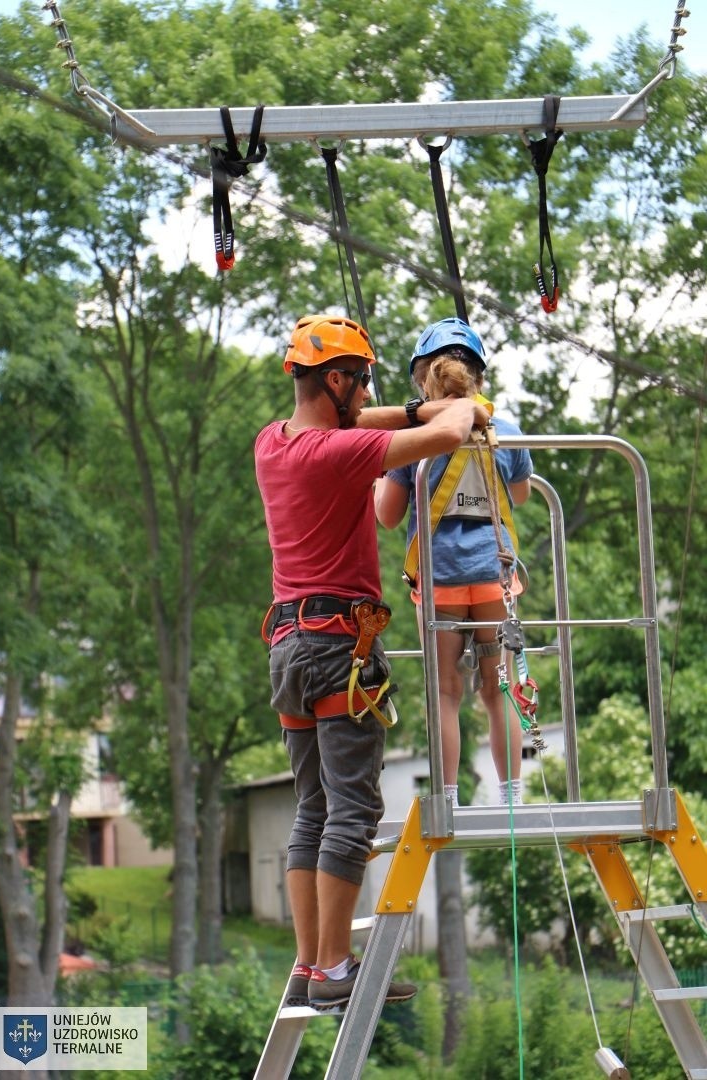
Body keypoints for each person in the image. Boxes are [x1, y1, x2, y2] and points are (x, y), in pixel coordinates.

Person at [254, 314, 490, 1010]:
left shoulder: (274, 443)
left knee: (313, 808)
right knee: (353, 810)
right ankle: (333, 969)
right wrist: (467, 406)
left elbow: (385, 418)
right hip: (338, 648)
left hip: (289, 648)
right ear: (335, 379)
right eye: (360, 380)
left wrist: (420, 403)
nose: (367, 393)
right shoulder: (340, 455)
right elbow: (445, 439)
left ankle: (310, 963)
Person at [374, 317, 533, 809]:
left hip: (441, 582)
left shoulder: (411, 435)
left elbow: (388, 515)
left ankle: (446, 796)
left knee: (445, 690)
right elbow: (522, 496)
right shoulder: (503, 430)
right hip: (493, 580)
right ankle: (511, 796)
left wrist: (379, 474)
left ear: (423, 380)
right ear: (478, 377)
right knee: (498, 686)